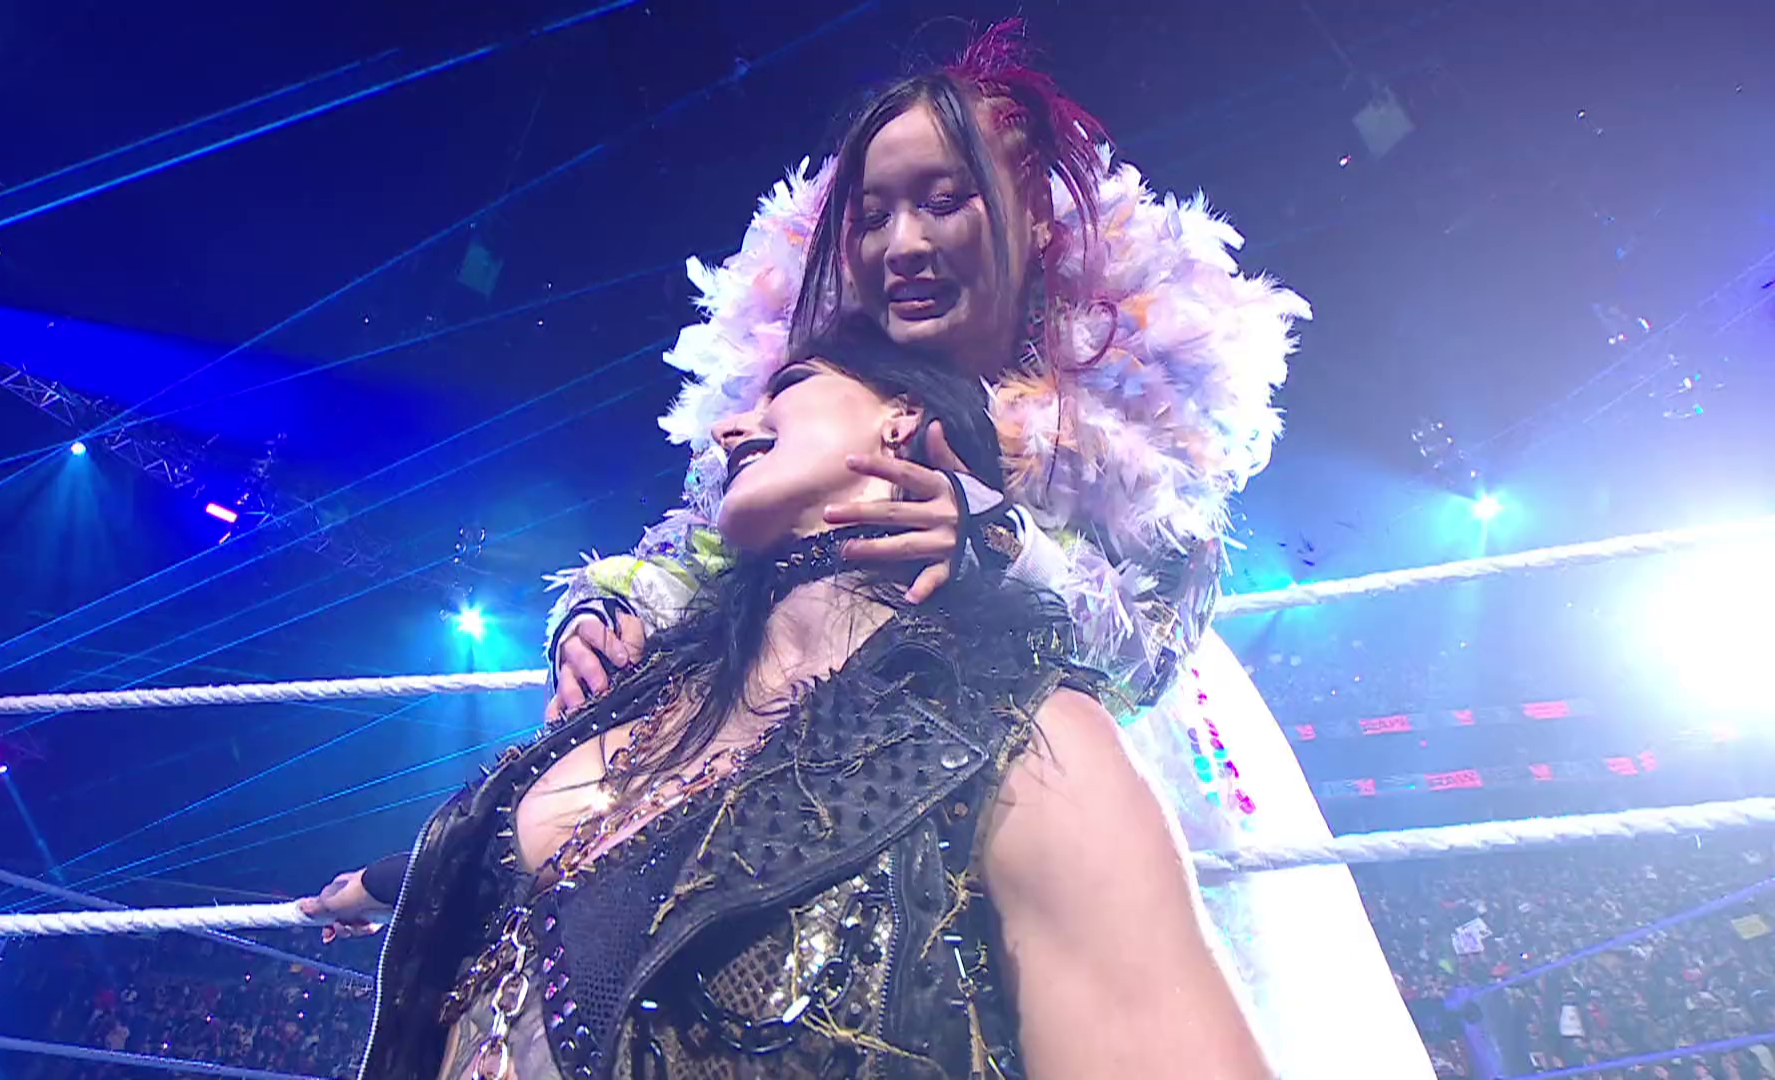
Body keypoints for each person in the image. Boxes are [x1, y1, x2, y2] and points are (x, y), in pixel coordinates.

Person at [528, 20, 1430, 1080]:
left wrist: (1002, 546)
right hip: (821, 764)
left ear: (1033, 218)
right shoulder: (814, 386)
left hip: (1073, 765)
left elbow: (1151, 648)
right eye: (873, 216)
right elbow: (692, 551)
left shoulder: (1134, 389)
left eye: (944, 200)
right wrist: (604, 611)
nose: (903, 244)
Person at [305, 319, 1273, 1079]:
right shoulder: (651, 700)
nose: (730, 427)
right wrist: (406, 877)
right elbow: (595, 876)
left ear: (900, 419)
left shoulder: (1026, 745)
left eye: (788, 389)